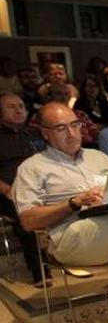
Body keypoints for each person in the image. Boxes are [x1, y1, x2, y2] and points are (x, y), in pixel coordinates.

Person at [13, 102, 108, 266]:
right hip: (69, 235)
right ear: (45, 133)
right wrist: (74, 203)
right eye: (61, 128)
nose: (71, 133)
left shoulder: (98, 156)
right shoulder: (32, 168)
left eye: (75, 125)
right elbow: (28, 221)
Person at [0, 93, 46, 284]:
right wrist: (6, 190)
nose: (18, 110)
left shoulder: (34, 134)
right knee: (25, 209)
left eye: (21, 106)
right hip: (7, 192)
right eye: (12, 107)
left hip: (40, 187)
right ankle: (39, 269)